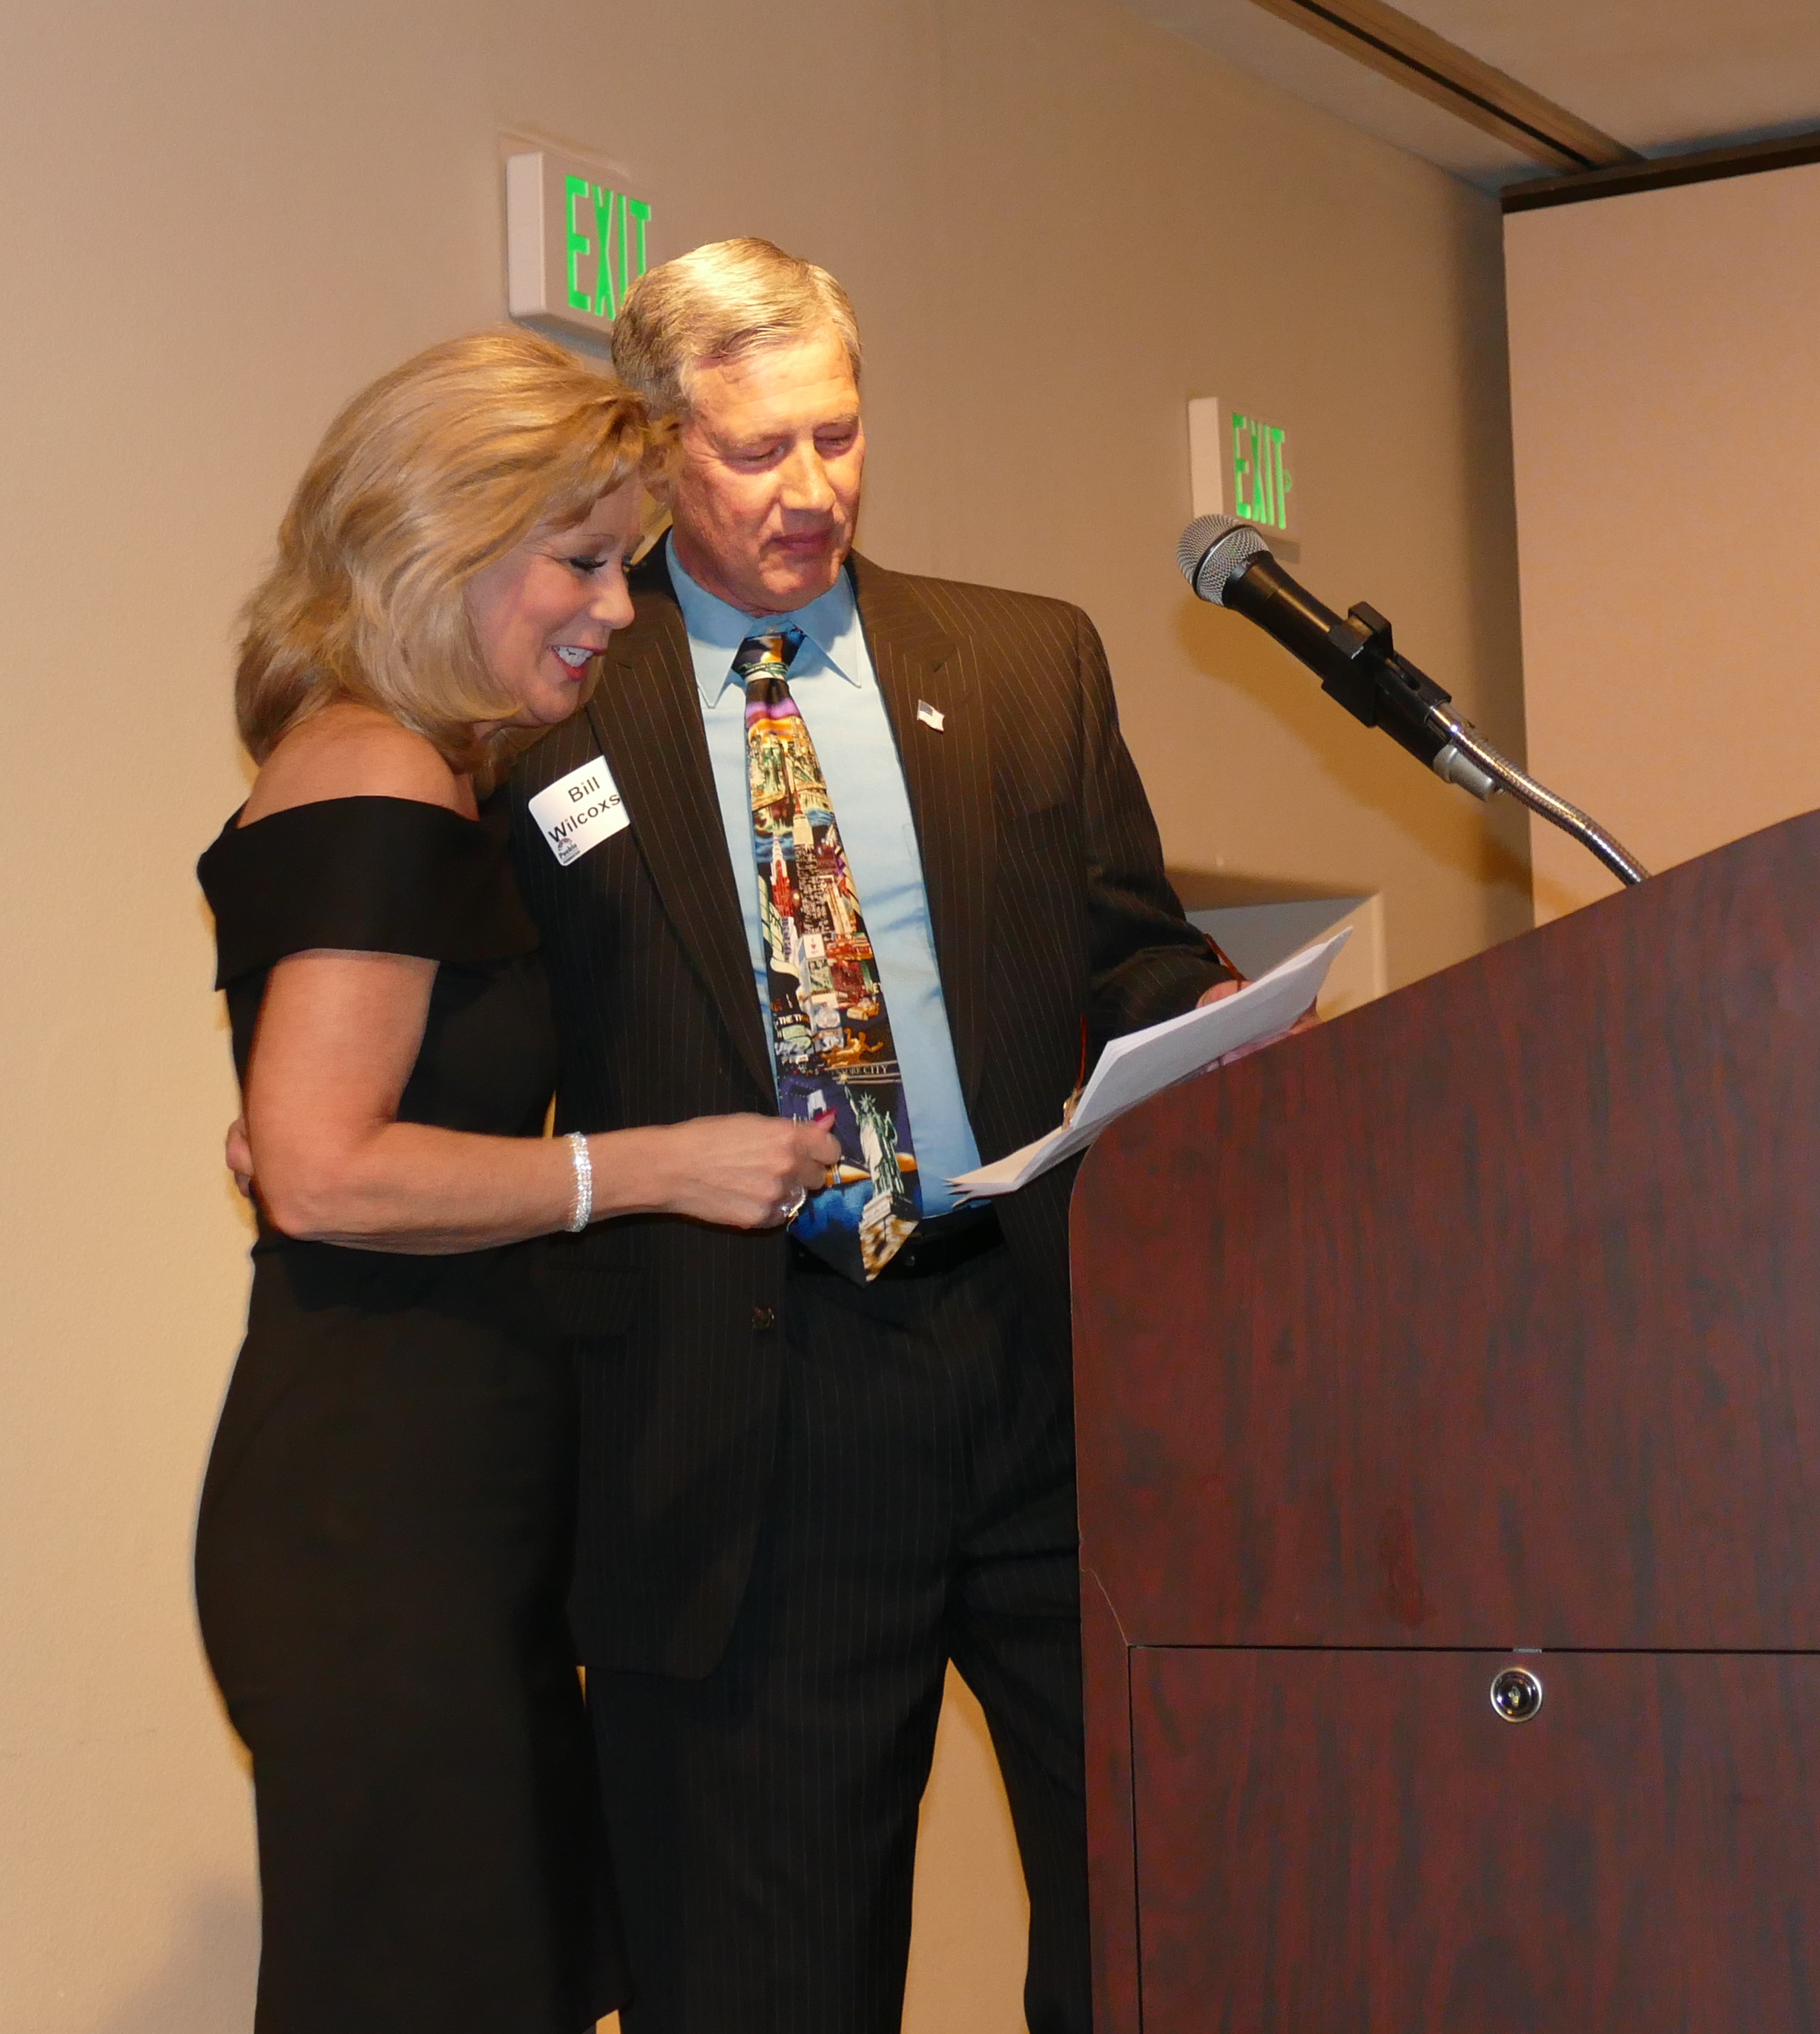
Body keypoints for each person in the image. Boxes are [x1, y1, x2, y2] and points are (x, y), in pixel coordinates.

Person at [505, 240, 1240, 2033]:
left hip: (1043, 1362)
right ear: (660, 443)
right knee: (772, 1968)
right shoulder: (550, 708)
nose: (811, 490)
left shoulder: (1022, 662)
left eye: (839, 437)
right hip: (754, 1401)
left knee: (1176, 1892)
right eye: (757, 452)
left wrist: (1219, 1029)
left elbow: (1133, 956)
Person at [195, 329, 838, 2034]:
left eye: (621, 568)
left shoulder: (415, 768)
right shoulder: (382, 770)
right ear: (435, 545)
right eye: (580, 562)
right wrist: (660, 1169)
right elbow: (323, 1175)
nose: (616, 611)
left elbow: (307, 1134)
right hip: (378, 1527)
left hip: (441, 1512)